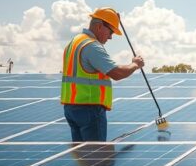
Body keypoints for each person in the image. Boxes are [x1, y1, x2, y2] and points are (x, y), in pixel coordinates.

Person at [60, 7, 144, 142]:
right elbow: (116, 73)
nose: (110, 37)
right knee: (97, 158)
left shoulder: (75, 42)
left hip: (71, 108)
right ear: (99, 26)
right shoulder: (91, 46)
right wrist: (135, 64)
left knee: (84, 159)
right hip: (89, 109)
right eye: (110, 31)